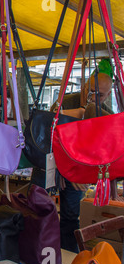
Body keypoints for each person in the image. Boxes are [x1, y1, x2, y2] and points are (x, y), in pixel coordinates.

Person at [31, 59, 114, 253]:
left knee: (70, 216)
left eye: (99, 94)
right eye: (90, 91)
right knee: (38, 208)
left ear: (108, 95)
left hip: (77, 174)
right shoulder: (66, 101)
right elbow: (48, 136)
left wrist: (78, 174)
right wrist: (60, 170)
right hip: (51, 164)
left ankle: (66, 254)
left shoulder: (108, 115)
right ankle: (34, 248)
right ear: (84, 87)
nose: (93, 97)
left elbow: (101, 153)